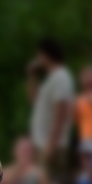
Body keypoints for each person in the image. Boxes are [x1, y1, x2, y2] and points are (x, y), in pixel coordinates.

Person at [27, 39, 74, 169]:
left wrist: (51, 145)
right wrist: (32, 76)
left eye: (39, 54)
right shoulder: (50, 79)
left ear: (46, 55)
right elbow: (33, 99)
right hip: (41, 144)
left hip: (52, 146)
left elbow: (61, 113)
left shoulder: (61, 77)